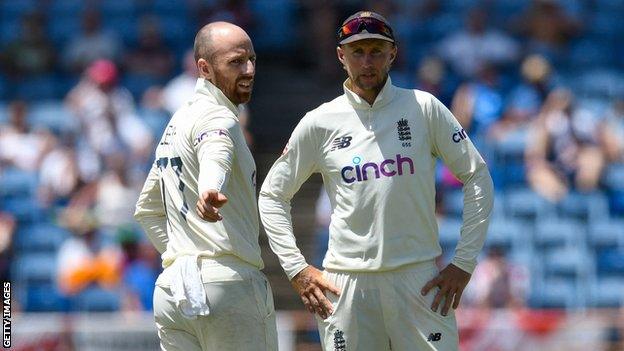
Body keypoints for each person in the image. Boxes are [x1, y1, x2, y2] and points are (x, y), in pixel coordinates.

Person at [257, 11, 493, 350]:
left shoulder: (424, 107)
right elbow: (272, 195)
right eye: (357, 52)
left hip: (419, 279)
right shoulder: (319, 122)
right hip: (347, 284)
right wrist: (296, 268)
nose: (367, 62)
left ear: (393, 53)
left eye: (376, 51)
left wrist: (464, 262)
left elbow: (477, 176)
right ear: (341, 56)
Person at [134, 22, 277, 350]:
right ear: (204, 68)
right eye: (236, 61)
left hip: (173, 290)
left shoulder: (176, 123)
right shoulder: (219, 117)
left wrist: (181, 255)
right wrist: (211, 188)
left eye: (252, 59)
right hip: (226, 286)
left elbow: (146, 210)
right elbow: (216, 149)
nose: (250, 69)